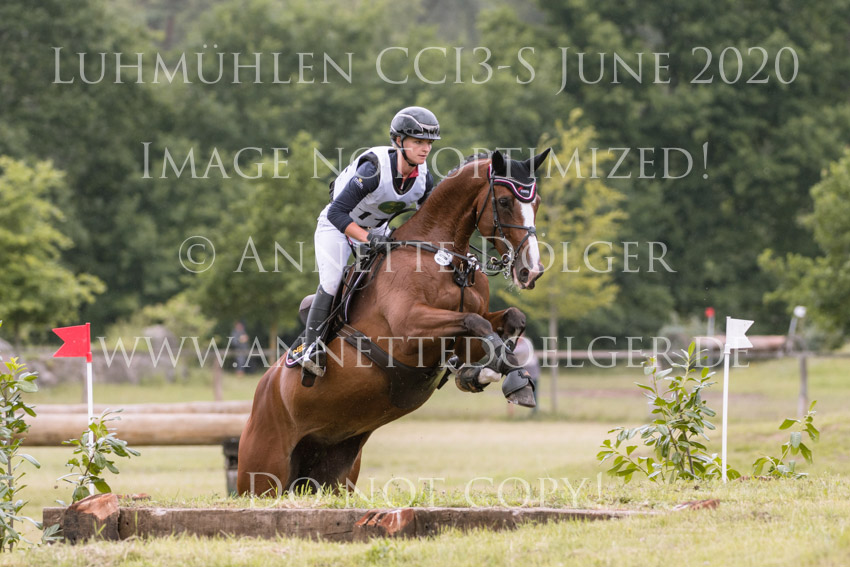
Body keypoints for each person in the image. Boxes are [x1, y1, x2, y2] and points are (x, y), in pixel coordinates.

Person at [301, 106, 441, 386]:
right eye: (418, 141)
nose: (425, 149)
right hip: (338, 227)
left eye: (428, 142)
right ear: (399, 141)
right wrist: (368, 239)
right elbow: (336, 213)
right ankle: (312, 348)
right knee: (333, 281)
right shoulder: (374, 169)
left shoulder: (423, 178)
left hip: (377, 231)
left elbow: (432, 221)